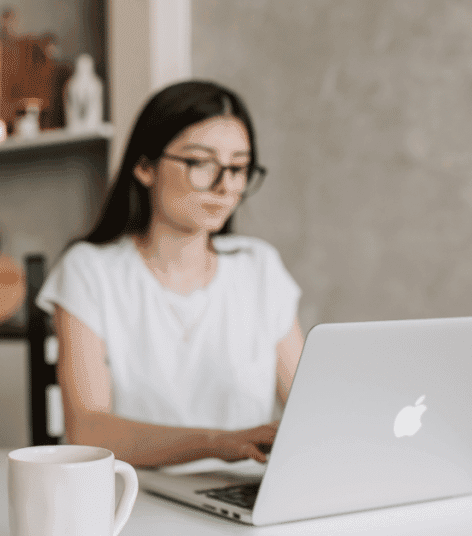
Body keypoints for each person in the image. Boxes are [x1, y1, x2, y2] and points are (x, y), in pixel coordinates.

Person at [35, 80, 305, 468]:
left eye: (239, 168)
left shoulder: (259, 268)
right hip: (134, 499)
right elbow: (87, 430)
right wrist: (216, 443)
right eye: (200, 163)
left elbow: (306, 409)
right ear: (145, 166)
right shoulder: (89, 271)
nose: (225, 185)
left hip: (244, 501)